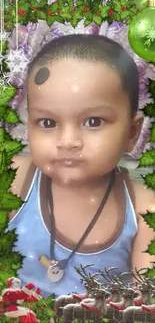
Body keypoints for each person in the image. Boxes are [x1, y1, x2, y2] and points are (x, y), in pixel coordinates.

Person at [8, 34, 155, 298]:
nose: (68, 142)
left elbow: (146, 304)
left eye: (94, 122)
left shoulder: (145, 212)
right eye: (48, 123)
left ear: (132, 132)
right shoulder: (13, 178)